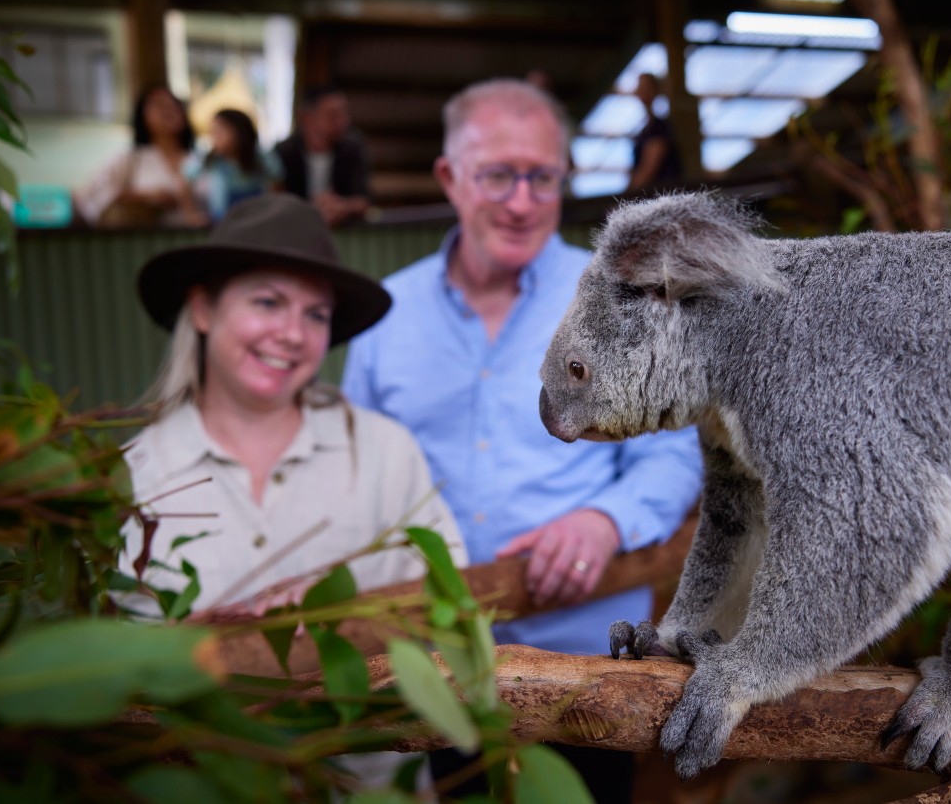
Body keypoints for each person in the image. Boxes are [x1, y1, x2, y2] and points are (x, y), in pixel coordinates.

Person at [341, 78, 702, 802]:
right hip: (440, 665)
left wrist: (607, 521)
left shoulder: (619, 303)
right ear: (450, 177)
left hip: (587, 671)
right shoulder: (386, 317)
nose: (521, 199)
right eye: (498, 174)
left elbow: (670, 453)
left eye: (542, 176)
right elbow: (352, 477)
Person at [121, 193, 465, 790]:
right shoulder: (135, 474)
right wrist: (195, 644)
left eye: (315, 314)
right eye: (268, 302)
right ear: (202, 308)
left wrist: (343, 619)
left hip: (369, 783)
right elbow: (110, 667)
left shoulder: (383, 451)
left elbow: (452, 603)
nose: (292, 334)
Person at [74, 84, 200, 228]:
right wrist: (145, 197)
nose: (169, 108)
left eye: (174, 103)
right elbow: (93, 192)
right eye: (159, 104)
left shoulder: (199, 159)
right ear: (142, 116)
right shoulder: (133, 158)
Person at [274, 86, 371, 227]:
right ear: (308, 118)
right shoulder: (284, 152)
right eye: (333, 115)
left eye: (344, 114)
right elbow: (274, 200)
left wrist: (341, 206)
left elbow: (364, 199)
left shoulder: (352, 149)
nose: (343, 121)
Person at [184, 108, 284, 223]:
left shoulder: (261, 157)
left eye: (219, 132)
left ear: (239, 132)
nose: (215, 138)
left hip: (258, 220)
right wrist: (191, 215)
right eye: (213, 133)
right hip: (221, 222)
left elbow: (278, 183)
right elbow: (184, 181)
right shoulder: (211, 159)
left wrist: (272, 212)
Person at [627, 72, 683, 191]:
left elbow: (649, 169)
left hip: (662, 196)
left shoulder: (659, 127)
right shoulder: (646, 129)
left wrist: (627, 197)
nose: (642, 91)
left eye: (645, 87)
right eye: (640, 87)